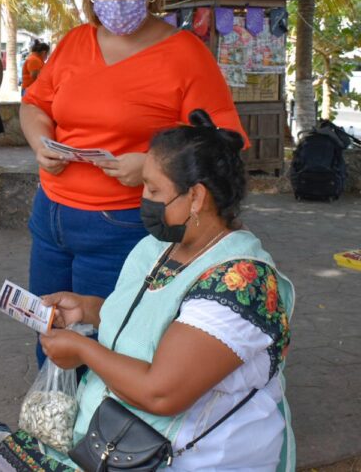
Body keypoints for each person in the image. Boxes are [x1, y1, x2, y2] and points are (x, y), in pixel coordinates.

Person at [20, 0, 248, 364]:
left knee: (108, 338)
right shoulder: (74, 42)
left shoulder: (184, 53)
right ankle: (48, 415)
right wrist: (38, 141)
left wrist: (150, 166)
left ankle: (100, 427)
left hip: (122, 226)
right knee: (48, 330)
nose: (117, 1)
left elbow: (223, 142)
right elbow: (36, 103)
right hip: (50, 215)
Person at [37, 109, 295, 471]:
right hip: (120, 440)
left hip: (196, 457)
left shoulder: (241, 282)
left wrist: (83, 350)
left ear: (196, 197)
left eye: (154, 189)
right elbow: (155, 316)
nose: (143, 198)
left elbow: (161, 393)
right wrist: (90, 310)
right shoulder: (161, 246)